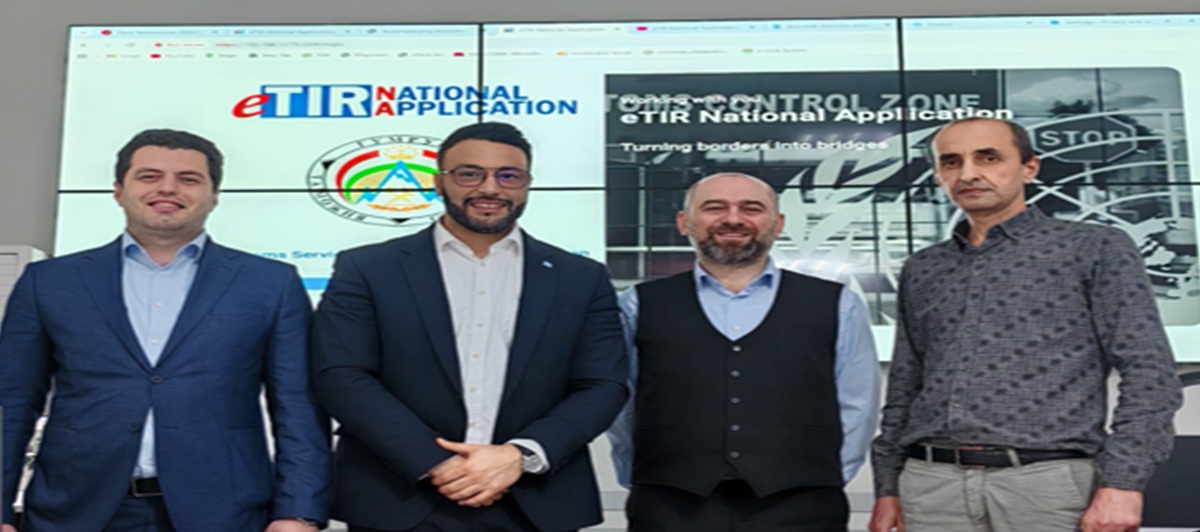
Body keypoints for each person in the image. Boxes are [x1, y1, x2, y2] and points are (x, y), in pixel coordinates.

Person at [0, 129, 331, 531]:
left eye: (188, 179)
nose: (168, 188)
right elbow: (10, 404)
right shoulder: (49, 282)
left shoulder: (270, 284)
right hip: (75, 510)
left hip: (223, 512)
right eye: (149, 176)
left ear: (214, 195)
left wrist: (298, 512)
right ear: (118, 191)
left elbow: (298, 409)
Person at [311, 121, 628, 532]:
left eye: (508, 175)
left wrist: (518, 456)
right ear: (439, 182)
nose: (490, 188)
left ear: (527, 184)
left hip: (534, 503)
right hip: (400, 500)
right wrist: (439, 465)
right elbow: (342, 375)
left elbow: (602, 385)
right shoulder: (368, 268)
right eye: (470, 174)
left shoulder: (580, 277)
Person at [869, 117, 1182, 532]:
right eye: (951, 162)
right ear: (939, 175)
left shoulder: (1093, 248)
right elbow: (905, 385)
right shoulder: (924, 267)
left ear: (1029, 167)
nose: (968, 173)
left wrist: (1123, 482)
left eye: (988, 158)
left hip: (1047, 485)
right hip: (930, 485)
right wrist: (887, 485)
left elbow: (1150, 373)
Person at [607, 172, 882, 532]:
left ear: (778, 223)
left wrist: (819, 476)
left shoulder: (838, 304)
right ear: (684, 222)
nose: (733, 219)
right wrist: (644, 474)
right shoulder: (637, 304)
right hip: (670, 506)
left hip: (803, 508)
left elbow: (857, 404)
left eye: (751, 208)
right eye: (714, 207)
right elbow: (620, 404)